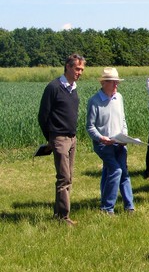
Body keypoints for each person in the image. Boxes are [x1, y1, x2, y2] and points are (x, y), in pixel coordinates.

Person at [38, 53, 86, 226]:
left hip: (72, 138)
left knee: (69, 177)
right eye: (77, 68)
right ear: (68, 66)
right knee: (64, 178)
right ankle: (63, 218)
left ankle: (60, 214)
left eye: (81, 69)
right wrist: (51, 138)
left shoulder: (73, 88)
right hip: (59, 138)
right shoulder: (54, 87)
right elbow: (43, 116)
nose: (79, 72)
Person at [86, 68, 135, 215]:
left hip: (119, 143)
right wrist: (101, 138)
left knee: (123, 173)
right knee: (116, 170)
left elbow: (123, 120)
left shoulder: (118, 97)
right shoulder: (94, 101)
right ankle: (107, 209)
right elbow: (90, 127)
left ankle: (129, 207)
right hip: (103, 145)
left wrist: (124, 137)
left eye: (117, 82)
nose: (116, 85)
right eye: (113, 83)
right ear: (103, 83)